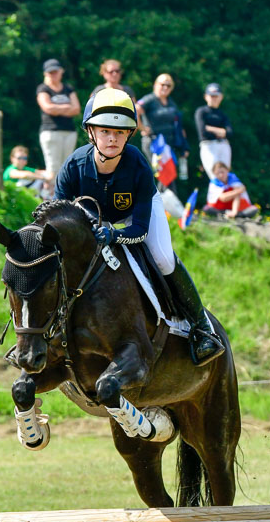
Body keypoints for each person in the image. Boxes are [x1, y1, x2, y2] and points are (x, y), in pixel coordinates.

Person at [55, 88, 224, 367]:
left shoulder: (137, 164)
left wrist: (115, 234)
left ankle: (201, 327)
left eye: (120, 132)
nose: (113, 138)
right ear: (91, 132)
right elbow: (58, 218)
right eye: (106, 131)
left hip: (134, 216)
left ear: (130, 134)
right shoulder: (73, 166)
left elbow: (141, 230)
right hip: (90, 218)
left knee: (162, 256)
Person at [136, 74, 190, 195]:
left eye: (168, 85)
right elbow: (135, 109)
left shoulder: (171, 103)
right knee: (164, 173)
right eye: (162, 84)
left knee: (168, 175)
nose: (165, 87)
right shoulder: (150, 99)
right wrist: (142, 128)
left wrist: (183, 145)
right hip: (154, 143)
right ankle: (167, 206)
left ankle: (166, 206)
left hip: (168, 144)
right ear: (155, 85)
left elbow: (178, 125)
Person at [36, 59, 81, 191]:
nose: (53, 74)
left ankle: (65, 198)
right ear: (45, 74)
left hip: (69, 132)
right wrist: (67, 107)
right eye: (50, 72)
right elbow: (47, 108)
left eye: (56, 71)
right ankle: (51, 200)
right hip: (51, 132)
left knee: (67, 166)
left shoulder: (68, 88)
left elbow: (76, 109)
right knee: (53, 168)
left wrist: (57, 109)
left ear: (61, 71)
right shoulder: (43, 88)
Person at [194, 83, 233, 180]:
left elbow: (229, 133)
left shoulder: (222, 114)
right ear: (206, 96)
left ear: (221, 97)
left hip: (223, 146)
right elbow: (203, 133)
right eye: (211, 96)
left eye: (216, 96)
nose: (214, 98)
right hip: (209, 146)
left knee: (225, 177)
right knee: (215, 177)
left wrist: (210, 128)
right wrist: (221, 131)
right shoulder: (201, 111)